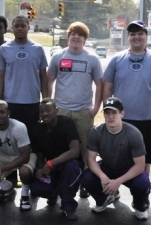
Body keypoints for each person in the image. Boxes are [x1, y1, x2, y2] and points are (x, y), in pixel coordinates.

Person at [103, 20, 151, 174]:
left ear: (146, 36)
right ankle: (114, 190)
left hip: (148, 121)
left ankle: (143, 192)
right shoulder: (117, 59)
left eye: (140, 33)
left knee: (145, 161)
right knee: (116, 159)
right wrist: (108, 114)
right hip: (121, 121)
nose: (136, 37)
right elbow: (107, 88)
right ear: (128, 36)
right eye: (133, 34)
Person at [47, 21, 103, 198]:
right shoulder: (58, 56)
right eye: (73, 34)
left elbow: (99, 85)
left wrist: (95, 108)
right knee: (59, 149)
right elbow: (49, 81)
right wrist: (49, 103)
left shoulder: (92, 59)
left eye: (80, 35)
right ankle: (55, 185)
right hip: (61, 111)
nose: (76, 37)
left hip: (83, 112)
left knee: (85, 150)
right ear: (68, 36)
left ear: (85, 39)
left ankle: (84, 184)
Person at [80, 97, 151, 220]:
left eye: (114, 112)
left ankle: (139, 205)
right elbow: (90, 159)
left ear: (122, 113)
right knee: (86, 178)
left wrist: (118, 182)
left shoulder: (133, 133)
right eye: (107, 113)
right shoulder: (96, 132)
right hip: (108, 167)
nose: (110, 116)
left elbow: (140, 166)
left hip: (129, 169)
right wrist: (103, 177)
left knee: (143, 184)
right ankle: (103, 199)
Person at [0, 15, 49, 134]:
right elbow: (0, 77)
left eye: (23, 26)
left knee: (32, 136)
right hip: (11, 102)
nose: (20, 28)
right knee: (11, 136)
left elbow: (43, 77)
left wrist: (46, 101)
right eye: (17, 26)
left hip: (32, 102)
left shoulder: (38, 49)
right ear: (11, 28)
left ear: (28, 28)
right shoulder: (4, 49)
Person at [30, 98, 82, 220]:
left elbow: (75, 151)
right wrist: (40, 170)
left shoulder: (67, 123)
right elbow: (40, 156)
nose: (45, 114)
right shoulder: (37, 131)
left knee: (70, 169)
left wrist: (50, 163)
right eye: (42, 111)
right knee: (37, 188)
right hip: (51, 168)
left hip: (68, 164)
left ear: (56, 110)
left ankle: (69, 206)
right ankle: (52, 193)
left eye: (48, 110)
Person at [0, 100, 37, 211]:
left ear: (8, 113)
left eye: (2, 112)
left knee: (24, 171)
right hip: (4, 155)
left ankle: (24, 196)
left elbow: (25, 156)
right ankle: (6, 187)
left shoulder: (18, 127)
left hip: (25, 155)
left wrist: (0, 169)